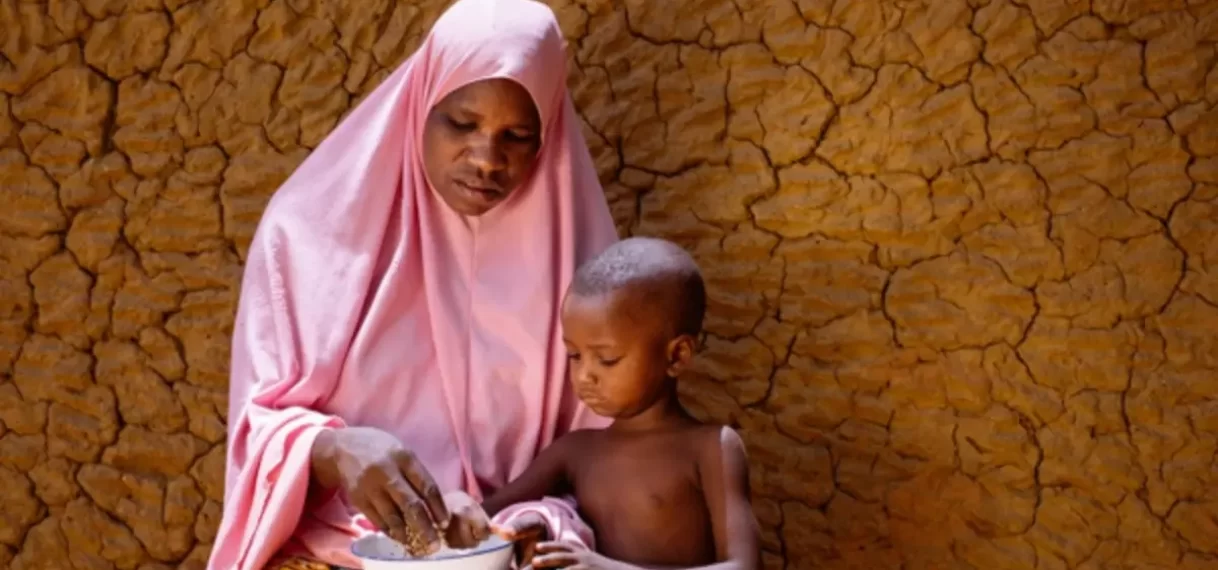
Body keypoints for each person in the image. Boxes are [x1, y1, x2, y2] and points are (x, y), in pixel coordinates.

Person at [207, 0, 621, 568]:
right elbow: (258, 427)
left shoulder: (584, 263)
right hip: (340, 554)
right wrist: (331, 449)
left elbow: (609, 453)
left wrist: (527, 520)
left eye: (518, 135)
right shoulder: (307, 234)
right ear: (422, 99)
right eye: (462, 123)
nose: (486, 159)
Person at [482, 237, 761, 570]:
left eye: (607, 359)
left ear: (676, 356)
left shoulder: (710, 448)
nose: (585, 375)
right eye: (574, 355)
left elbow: (744, 567)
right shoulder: (575, 452)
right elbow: (486, 517)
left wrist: (608, 569)